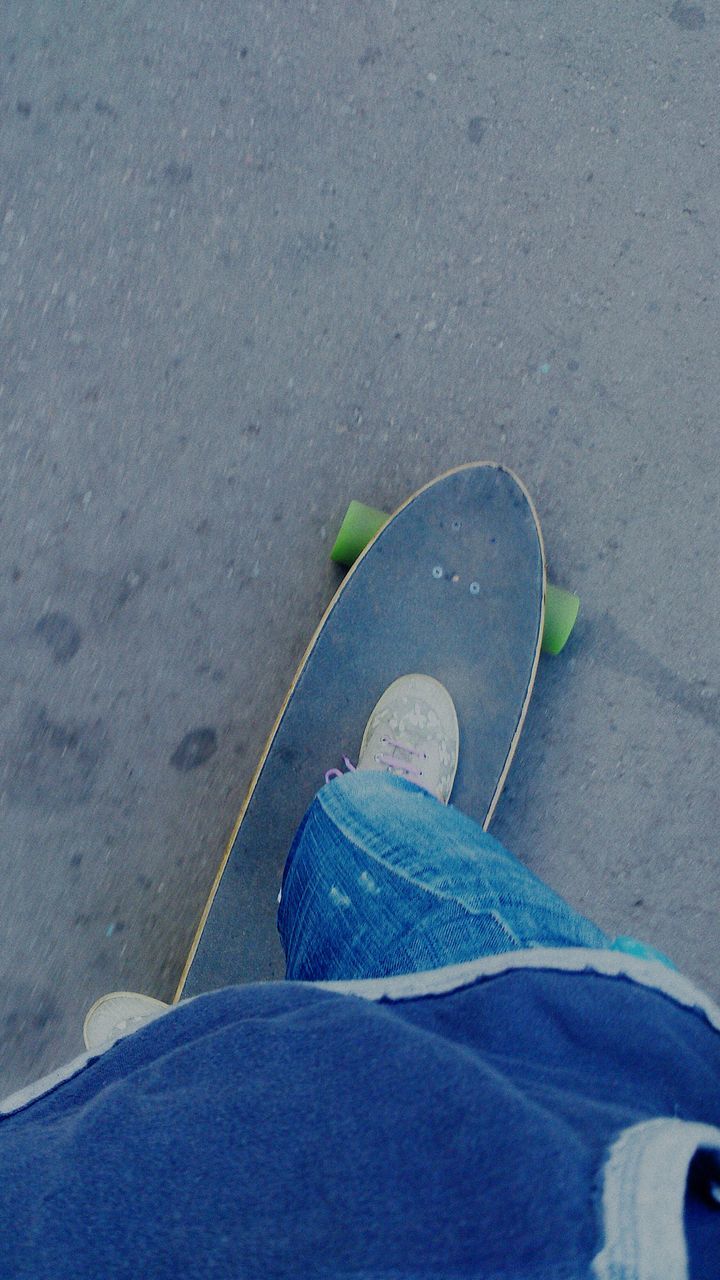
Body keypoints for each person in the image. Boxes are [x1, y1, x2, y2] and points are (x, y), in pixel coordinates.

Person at [1, 676, 719, 1279]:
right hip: (608, 1126)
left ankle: (177, 1068)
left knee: (351, 836)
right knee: (358, 821)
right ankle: (194, 1054)